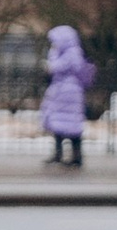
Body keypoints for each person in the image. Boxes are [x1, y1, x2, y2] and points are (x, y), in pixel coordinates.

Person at [39, 23, 92, 169]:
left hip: (68, 93)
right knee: (59, 124)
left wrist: (51, 62)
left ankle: (74, 155)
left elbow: (57, 67)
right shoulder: (66, 52)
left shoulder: (72, 53)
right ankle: (62, 153)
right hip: (62, 93)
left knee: (71, 126)